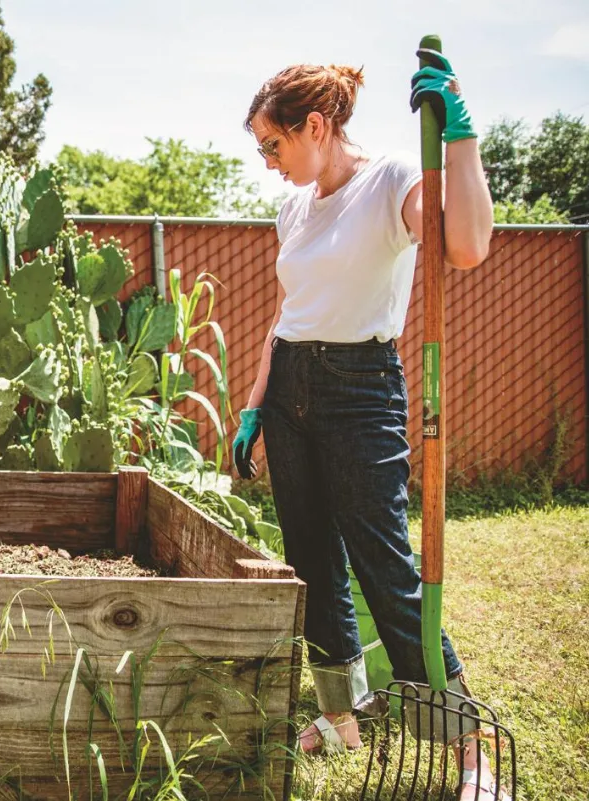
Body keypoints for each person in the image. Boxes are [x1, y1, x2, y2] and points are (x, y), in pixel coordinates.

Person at [230, 53, 507, 801]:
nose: (267, 161)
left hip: (361, 391)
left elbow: (468, 246)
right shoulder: (293, 207)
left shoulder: (391, 180)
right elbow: (288, 318)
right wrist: (256, 403)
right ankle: (338, 713)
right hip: (290, 391)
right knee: (312, 563)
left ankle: (468, 746)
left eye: (273, 144)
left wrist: (460, 140)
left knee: (386, 569)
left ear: (315, 125)